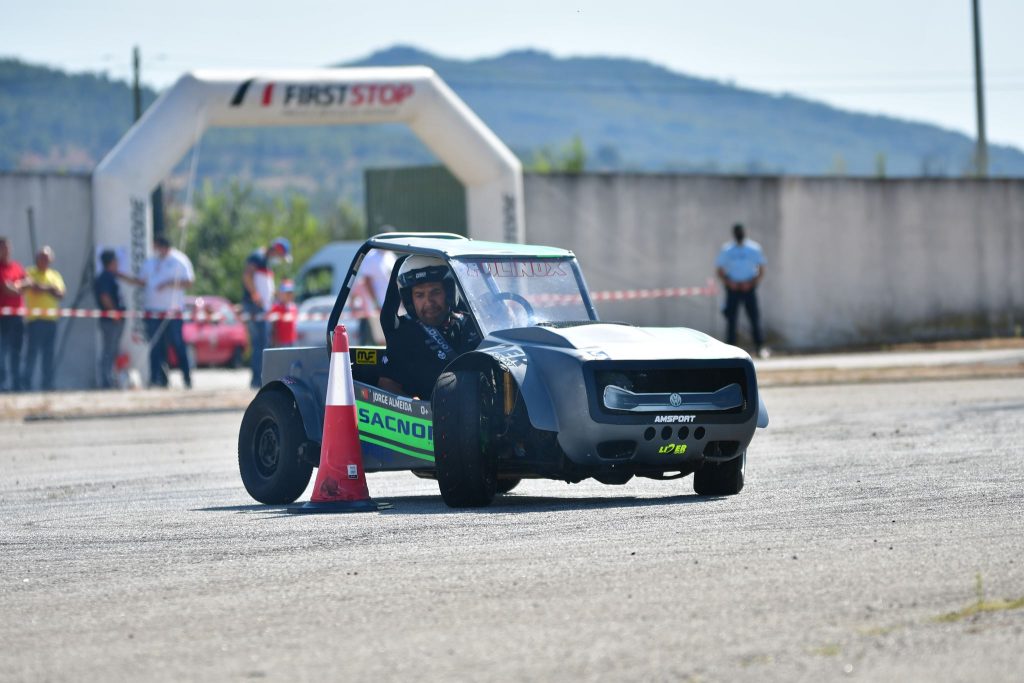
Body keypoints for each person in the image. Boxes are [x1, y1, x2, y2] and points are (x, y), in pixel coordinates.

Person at [378, 255, 480, 398]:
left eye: (435, 292)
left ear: (449, 293)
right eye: (420, 295)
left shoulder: (471, 325)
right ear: (410, 300)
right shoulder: (404, 336)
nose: (429, 302)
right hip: (431, 418)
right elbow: (388, 386)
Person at [121, 236, 195, 388]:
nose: (155, 249)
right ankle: (159, 379)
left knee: (178, 345)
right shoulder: (151, 262)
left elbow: (189, 282)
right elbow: (142, 281)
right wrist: (123, 277)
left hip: (173, 312)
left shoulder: (179, 260)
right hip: (153, 312)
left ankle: (186, 378)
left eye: (156, 246)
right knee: (156, 347)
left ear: (163, 246)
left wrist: (168, 284)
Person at [242, 237, 291, 388]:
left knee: (263, 343)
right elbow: (247, 276)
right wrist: (255, 295)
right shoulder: (257, 257)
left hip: (263, 308)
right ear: (276, 250)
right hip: (256, 308)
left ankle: (259, 378)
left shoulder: (265, 261)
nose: (279, 259)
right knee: (260, 344)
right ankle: (257, 380)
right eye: (280, 256)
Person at [716, 223, 769, 358]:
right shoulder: (727, 249)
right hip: (733, 289)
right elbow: (719, 270)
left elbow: (761, 269)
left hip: (748, 288)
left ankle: (759, 347)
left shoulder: (753, 248)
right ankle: (730, 349)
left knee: (754, 317)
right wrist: (730, 282)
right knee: (731, 319)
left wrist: (751, 283)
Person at [21, 246, 65, 391]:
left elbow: (60, 294)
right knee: (31, 354)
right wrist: (50, 288)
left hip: (51, 321)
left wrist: (45, 288)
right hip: (35, 320)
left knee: (48, 355)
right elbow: (33, 288)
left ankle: (47, 384)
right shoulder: (30, 272)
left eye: (46, 258)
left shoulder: (55, 275)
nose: (44, 261)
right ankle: (26, 384)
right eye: (42, 257)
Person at [94, 249, 126, 389]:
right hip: (110, 320)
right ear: (112, 262)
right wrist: (114, 314)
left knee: (113, 350)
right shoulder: (105, 277)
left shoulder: (111, 276)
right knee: (109, 350)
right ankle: (106, 381)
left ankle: (111, 379)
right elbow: (105, 297)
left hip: (113, 319)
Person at [0, 236, 27, 391]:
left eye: (8, 247)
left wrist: (17, 285)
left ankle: (16, 384)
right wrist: (18, 287)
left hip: (17, 317)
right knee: (1, 352)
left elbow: (28, 283)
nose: (6, 250)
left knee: (16, 352)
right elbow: (6, 288)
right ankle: (2, 385)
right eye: (3, 247)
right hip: (2, 318)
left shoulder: (17, 267)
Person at [356, 248, 396, 344]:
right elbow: (367, 281)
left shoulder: (390, 255)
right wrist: (376, 303)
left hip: (392, 304)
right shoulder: (371, 257)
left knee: (394, 336)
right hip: (378, 306)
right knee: (382, 340)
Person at [269, 278, 298, 348]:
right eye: (287, 293)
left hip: (292, 341)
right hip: (280, 343)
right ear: (280, 294)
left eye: (290, 293)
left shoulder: (293, 307)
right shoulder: (276, 308)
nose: (289, 296)